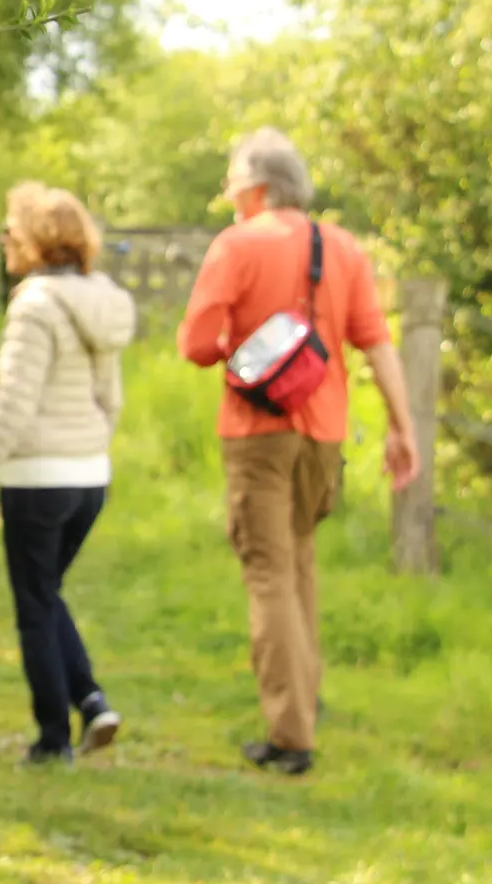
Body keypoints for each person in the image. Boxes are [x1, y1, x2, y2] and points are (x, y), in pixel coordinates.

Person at [177, 127, 419, 776]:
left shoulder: (237, 246)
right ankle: (304, 700)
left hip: (258, 434)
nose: (228, 197)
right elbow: (377, 343)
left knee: (268, 573)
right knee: (301, 562)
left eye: (232, 184)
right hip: (324, 430)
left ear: (257, 187)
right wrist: (403, 429)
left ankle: (290, 734)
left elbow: (196, 345)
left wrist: (241, 339)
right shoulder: (342, 248)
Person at [0, 183, 137, 765]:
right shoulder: (102, 300)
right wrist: (90, 449)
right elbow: (110, 399)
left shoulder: (35, 304)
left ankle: (51, 739)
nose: (6, 237)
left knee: (34, 604)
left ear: (38, 239)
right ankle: (90, 701)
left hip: (38, 478)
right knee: (47, 592)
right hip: (90, 475)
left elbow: (13, 406)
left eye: (13, 228)